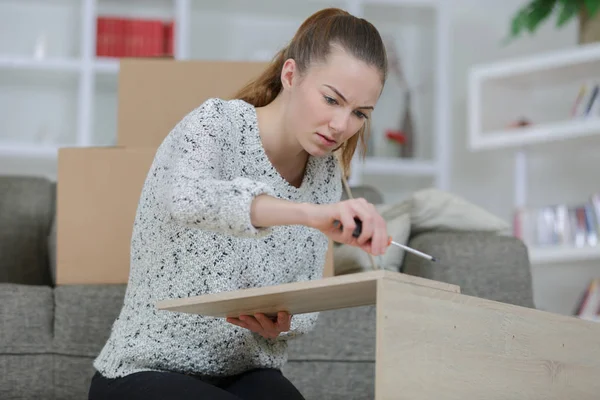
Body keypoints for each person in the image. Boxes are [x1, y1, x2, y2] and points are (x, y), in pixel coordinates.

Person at [88, 7, 389, 400]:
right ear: (291, 75)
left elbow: (305, 297)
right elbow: (189, 199)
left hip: (242, 373)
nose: (341, 126)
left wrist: (282, 321)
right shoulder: (216, 124)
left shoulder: (324, 174)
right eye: (332, 100)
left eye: (359, 114)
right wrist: (311, 216)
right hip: (142, 370)